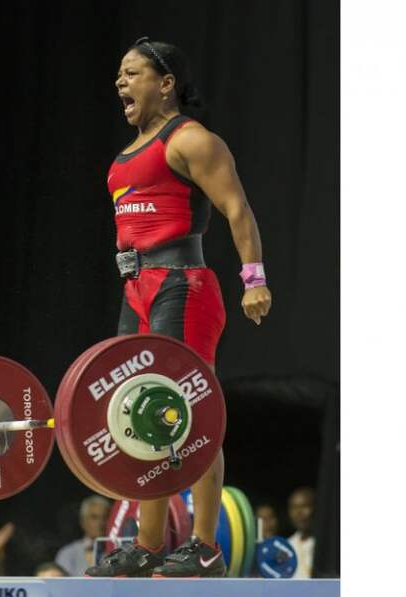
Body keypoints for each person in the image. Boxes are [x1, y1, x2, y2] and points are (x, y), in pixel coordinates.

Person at [84, 37, 272, 579]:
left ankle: (205, 545)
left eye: (132, 73)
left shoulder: (191, 141)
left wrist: (253, 279)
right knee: (139, 415)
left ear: (165, 83)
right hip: (137, 291)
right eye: (118, 74)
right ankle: (146, 544)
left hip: (182, 286)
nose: (120, 82)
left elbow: (238, 210)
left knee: (192, 417)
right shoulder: (122, 161)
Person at [54, 495, 110, 575]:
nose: (101, 523)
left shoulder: (117, 551)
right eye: (94, 517)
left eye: (105, 517)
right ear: (83, 521)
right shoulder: (67, 554)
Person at [287, 486, 316, 578]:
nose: (299, 512)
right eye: (294, 508)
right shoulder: (287, 546)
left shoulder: (331, 545)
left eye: (304, 506)